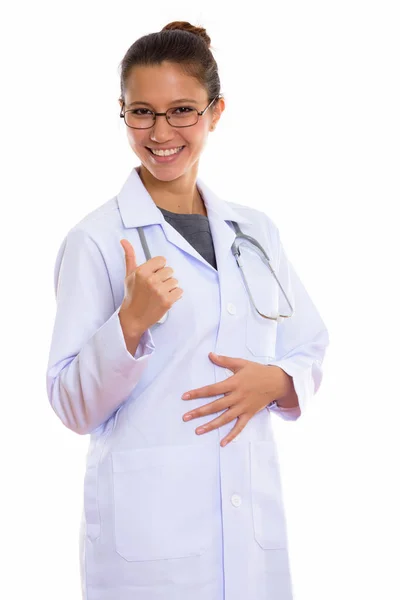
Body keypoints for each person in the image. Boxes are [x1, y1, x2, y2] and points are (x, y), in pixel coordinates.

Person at [46, 20, 329, 600]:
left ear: (216, 112)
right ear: (122, 113)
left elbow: (310, 343)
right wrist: (130, 324)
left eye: (182, 110)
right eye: (141, 112)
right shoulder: (96, 240)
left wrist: (276, 381)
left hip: (248, 528)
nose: (161, 131)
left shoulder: (255, 231)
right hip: (148, 545)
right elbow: (70, 403)